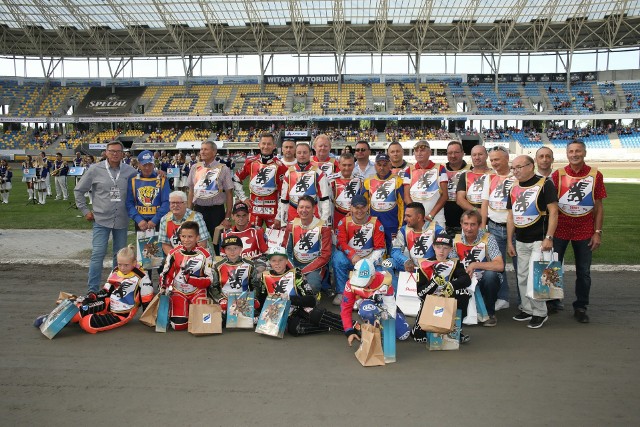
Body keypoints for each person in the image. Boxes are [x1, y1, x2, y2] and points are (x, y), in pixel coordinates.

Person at [551, 140, 607, 323]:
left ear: (584, 153)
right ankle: (552, 301)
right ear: (567, 154)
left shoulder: (595, 175)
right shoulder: (557, 175)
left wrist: (597, 231)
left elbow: (599, 207)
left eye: (578, 151)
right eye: (571, 151)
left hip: (584, 229)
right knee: (553, 267)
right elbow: (551, 206)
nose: (574, 154)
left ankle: (581, 306)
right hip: (560, 227)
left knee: (583, 271)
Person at [74, 141, 138, 293]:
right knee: (98, 254)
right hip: (101, 219)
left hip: (121, 219)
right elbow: (78, 190)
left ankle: (117, 288)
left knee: (120, 257)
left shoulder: (130, 171)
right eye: (112, 151)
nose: (115, 154)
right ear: (106, 152)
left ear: (123, 153)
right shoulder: (95, 169)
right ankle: (93, 291)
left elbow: (143, 184)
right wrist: (85, 210)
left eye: (118, 151)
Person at [507, 155, 558, 329]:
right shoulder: (513, 187)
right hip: (521, 239)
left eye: (519, 167)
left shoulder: (545, 184)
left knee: (538, 277)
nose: (516, 171)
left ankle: (540, 313)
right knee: (522, 275)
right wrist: (509, 241)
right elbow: (511, 215)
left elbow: (553, 212)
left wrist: (549, 237)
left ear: (531, 166)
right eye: (513, 168)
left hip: (540, 239)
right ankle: (527, 308)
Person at [55, 245, 153, 334]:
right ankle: (52, 319)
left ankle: (71, 321)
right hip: (107, 304)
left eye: (126, 265)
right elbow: (106, 292)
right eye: (120, 264)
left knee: (87, 323)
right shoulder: (115, 270)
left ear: (134, 262)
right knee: (76, 310)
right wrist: (93, 296)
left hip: (121, 313)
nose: (122, 268)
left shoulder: (142, 277)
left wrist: (148, 319)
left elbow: (147, 302)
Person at [256, 246, 344, 337]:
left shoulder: (296, 274)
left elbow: (311, 300)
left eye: (280, 260)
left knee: (315, 314)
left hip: (298, 308)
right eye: (273, 260)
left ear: (286, 261)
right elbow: (262, 301)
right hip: (280, 315)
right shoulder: (265, 276)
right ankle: (328, 327)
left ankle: (351, 326)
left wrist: (290, 298)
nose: (277, 263)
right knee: (294, 328)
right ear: (270, 262)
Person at [412, 232, 472, 343]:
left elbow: (467, 280)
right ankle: (423, 326)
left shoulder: (454, 263)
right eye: (438, 247)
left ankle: (456, 328)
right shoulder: (423, 264)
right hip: (430, 302)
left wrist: (451, 285)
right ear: (433, 247)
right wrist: (434, 282)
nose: (441, 251)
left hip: (447, 301)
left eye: (445, 248)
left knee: (464, 293)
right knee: (419, 336)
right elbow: (420, 294)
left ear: (450, 249)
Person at [341, 259, 410, 346]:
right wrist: (349, 331)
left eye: (364, 281)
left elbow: (390, 304)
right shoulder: (350, 284)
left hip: (384, 305)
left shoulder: (385, 281)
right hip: (367, 305)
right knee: (368, 311)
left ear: (373, 276)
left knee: (404, 334)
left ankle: (395, 316)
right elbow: (345, 308)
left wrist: (389, 325)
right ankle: (373, 329)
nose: (361, 284)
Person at [452, 209, 504, 327]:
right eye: (465, 224)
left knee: (491, 276)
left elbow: (500, 265)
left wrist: (475, 265)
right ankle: (458, 313)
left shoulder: (488, 239)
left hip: (483, 280)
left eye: (473, 224)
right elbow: (451, 265)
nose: (469, 228)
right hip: (464, 280)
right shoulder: (455, 241)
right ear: (461, 224)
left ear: (480, 225)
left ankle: (489, 313)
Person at [159, 221, 213, 331]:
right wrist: (164, 287)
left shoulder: (206, 254)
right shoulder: (173, 252)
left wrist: (190, 279)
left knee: (205, 324)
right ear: (179, 237)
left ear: (197, 237)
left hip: (198, 291)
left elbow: (209, 280)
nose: (186, 240)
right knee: (178, 326)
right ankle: (180, 310)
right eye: (183, 236)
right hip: (178, 291)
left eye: (190, 237)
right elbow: (166, 274)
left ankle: (192, 310)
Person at [332, 195, 386, 305]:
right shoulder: (344, 222)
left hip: (370, 259)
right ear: (351, 208)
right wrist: (352, 255)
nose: (359, 211)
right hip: (351, 260)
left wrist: (368, 263)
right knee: (337, 257)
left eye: (362, 207)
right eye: (356, 207)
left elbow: (380, 248)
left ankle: (370, 295)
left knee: (383, 273)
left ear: (367, 208)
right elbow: (340, 243)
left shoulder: (376, 223)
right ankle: (342, 292)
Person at [481, 145, 515, 311]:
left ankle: (526, 300)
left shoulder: (516, 176)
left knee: (521, 266)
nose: (494, 163)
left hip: (515, 228)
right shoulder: (489, 178)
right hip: (494, 227)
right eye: (492, 159)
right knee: (498, 264)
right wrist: (482, 226)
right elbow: (485, 203)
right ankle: (503, 297)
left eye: (497, 159)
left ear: (507, 158)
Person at [187, 141, 234, 253]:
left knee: (218, 243)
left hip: (216, 211)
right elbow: (191, 191)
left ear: (214, 152)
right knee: (197, 242)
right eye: (201, 149)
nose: (202, 152)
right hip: (198, 210)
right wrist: (188, 211)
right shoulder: (195, 167)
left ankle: (219, 267)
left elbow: (229, 193)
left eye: (206, 149)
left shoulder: (223, 169)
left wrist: (227, 217)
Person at [233, 132, 289, 227]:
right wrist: (243, 197)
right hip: (254, 210)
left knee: (274, 240)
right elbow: (236, 179)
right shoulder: (250, 162)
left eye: (269, 144)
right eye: (263, 143)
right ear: (259, 145)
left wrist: (279, 216)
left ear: (274, 146)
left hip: (273, 211)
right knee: (252, 238)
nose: (266, 146)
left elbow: (283, 194)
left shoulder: (281, 167)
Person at [387, 202, 444, 288]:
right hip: (412, 266)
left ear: (419, 217)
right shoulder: (404, 230)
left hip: (431, 268)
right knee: (387, 263)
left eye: (408, 216)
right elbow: (395, 250)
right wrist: (405, 260)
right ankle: (395, 295)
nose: (405, 219)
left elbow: (448, 255)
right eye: (405, 216)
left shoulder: (437, 229)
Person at [283, 195, 332, 292]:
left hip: (315, 268)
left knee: (311, 286)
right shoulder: (291, 225)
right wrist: (295, 270)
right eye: (301, 207)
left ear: (314, 209)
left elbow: (325, 255)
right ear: (297, 209)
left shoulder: (323, 227)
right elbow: (285, 251)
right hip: (294, 265)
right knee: (285, 285)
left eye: (308, 207)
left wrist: (304, 271)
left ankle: (314, 299)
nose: (304, 210)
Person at [276, 142, 331, 227]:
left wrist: (325, 221)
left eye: (305, 152)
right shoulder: (289, 173)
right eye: (299, 153)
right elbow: (284, 200)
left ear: (310, 153)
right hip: (293, 217)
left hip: (313, 218)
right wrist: (283, 222)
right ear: (295, 154)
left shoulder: (318, 173)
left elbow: (325, 199)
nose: (302, 155)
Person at [209, 235, 262, 319]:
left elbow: (255, 285)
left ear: (241, 249)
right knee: (219, 320)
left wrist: (253, 298)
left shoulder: (249, 265)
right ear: (224, 250)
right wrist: (220, 299)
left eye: (235, 248)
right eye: (228, 248)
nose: (232, 251)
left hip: (245, 301)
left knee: (257, 318)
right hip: (225, 301)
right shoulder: (218, 266)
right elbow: (213, 287)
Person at [363, 153, 405, 253]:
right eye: (379, 165)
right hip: (374, 225)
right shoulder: (368, 181)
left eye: (385, 164)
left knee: (393, 251)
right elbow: (363, 205)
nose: (382, 168)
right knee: (376, 251)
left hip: (392, 225)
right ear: (375, 166)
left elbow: (402, 205)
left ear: (390, 165)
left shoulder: (398, 181)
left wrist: (402, 225)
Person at [403, 139, 448, 226]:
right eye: (416, 150)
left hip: (436, 217)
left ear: (430, 152)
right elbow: (406, 196)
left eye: (422, 150)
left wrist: (431, 215)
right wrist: (415, 215)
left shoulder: (440, 169)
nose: (419, 153)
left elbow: (445, 196)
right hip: (416, 218)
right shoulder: (409, 170)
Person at [126, 150, 171, 233]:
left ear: (153, 164)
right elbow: (129, 203)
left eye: (150, 164)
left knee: (160, 245)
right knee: (142, 246)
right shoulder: (133, 180)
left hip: (160, 221)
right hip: (140, 222)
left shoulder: (162, 179)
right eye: (144, 165)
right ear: (139, 165)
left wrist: (155, 219)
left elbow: (166, 202)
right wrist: (138, 219)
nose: (147, 168)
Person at [158, 191, 211, 256]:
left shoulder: (196, 217)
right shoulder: (164, 220)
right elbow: (165, 245)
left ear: (185, 204)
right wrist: (176, 258)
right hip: (176, 258)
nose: (175, 205)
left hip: (198, 256)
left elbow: (202, 244)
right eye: (172, 203)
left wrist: (187, 259)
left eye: (178, 203)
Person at [220, 201, 268, 270]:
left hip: (254, 267)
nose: (241, 218)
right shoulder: (226, 234)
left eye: (244, 215)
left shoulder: (257, 231)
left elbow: (266, 253)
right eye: (238, 215)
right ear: (232, 216)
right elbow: (223, 257)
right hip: (234, 268)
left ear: (248, 216)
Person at [443, 141, 470, 234]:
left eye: (456, 152)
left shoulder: (471, 170)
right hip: (443, 222)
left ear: (463, 153)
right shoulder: (440, 170)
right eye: (450, 153)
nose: (453, 155)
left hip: (466, 223)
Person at [331, 152, 363, 227]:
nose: (347, 168)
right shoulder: (331, 180)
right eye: (344, 165)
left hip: (356, 217)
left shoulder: (361, 180)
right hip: (337, 216)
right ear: (339, 165)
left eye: (349, 165)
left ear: (354, 165)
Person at [456, 144, 492, 213]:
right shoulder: (465, 175)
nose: (477, 157)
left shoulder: (494, 175)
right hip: (471, 217)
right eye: (474, 155)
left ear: (487, 156)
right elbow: (460, 199)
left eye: (480, 154)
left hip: (490, 218)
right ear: (471, 157)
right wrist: (477, 211)